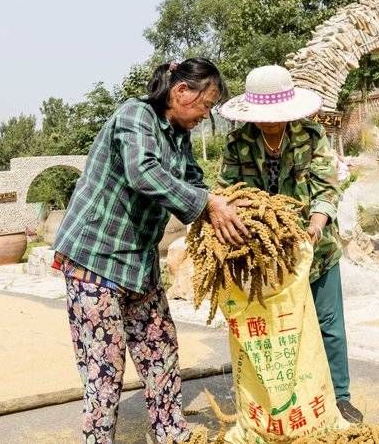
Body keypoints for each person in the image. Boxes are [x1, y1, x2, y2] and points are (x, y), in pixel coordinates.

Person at [53, 58, 249, 444]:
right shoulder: (135, 115)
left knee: (160, 350)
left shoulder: (179, 135)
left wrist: (230, 202)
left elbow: (193, 181)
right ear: (180, 92)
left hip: (139, 264)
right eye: (206, 104)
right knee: (103, 369)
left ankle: (171, 434)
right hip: (96, 260)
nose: (206, 115)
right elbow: (142, 173)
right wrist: (207, 204)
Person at [216, 64, 364, 424]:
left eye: (276, 116)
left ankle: (340, 397)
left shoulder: (311, 137)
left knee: (328, 323)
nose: (271, 123)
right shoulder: (237, 144)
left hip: (316, 251)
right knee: (277, 326)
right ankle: (283, 397)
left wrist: (315, 224)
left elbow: (326, 187)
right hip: (265, 255)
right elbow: (227, 193)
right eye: (263, 117)